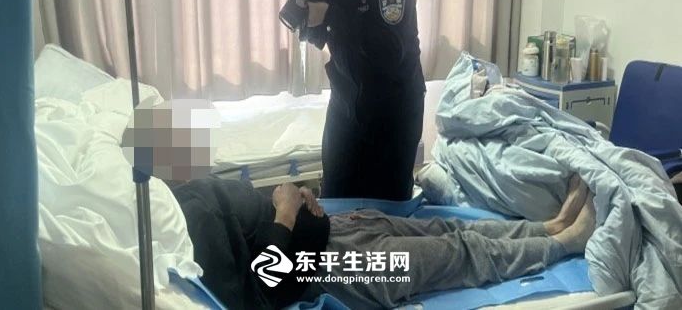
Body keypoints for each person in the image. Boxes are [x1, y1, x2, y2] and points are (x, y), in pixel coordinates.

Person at [172, 174, 596, 310]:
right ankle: (566, 244)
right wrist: (284, 213)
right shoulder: (180, 244)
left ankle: (549, 226)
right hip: (339, 269)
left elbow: (252, 230)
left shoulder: (170, 202)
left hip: (335, 227)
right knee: (459, 252)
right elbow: (263, 289)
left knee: (444, 227)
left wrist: (293, 201)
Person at [291, 0, 426, 201]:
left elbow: (388, 51)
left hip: (392, 108)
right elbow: (323, 37)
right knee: (334, 200)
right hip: (346, 101)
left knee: (387, 213)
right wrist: (308, 18)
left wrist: (331, 14)